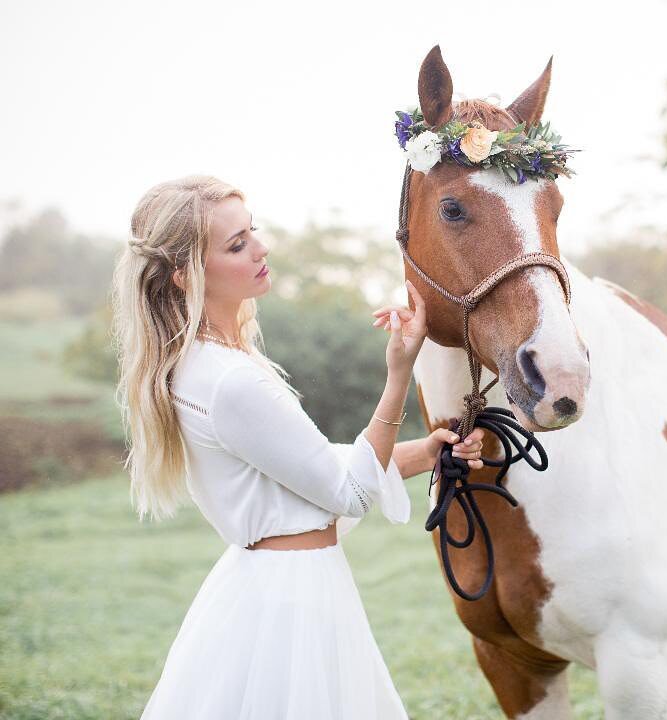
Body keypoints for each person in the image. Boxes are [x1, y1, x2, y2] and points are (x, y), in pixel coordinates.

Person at [110, 175, 484, 719]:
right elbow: (347, 491)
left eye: (252, 232)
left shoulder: (206, 363)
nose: (260, 249)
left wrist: (428, 452)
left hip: (271, 589)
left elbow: (312, 471)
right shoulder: (231, 381)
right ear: (184, 275)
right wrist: (398, 375)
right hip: (292, 604)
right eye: (236, 245)